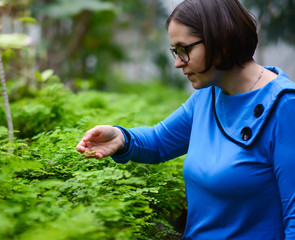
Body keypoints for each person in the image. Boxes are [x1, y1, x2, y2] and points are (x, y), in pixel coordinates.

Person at [76, 0, 295, 239]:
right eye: (175, 51)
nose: (177, 62)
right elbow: (159, 142)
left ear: (220, 40)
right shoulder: (208, 95)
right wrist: (121, 138)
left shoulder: (285, 107)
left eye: (184, 49)